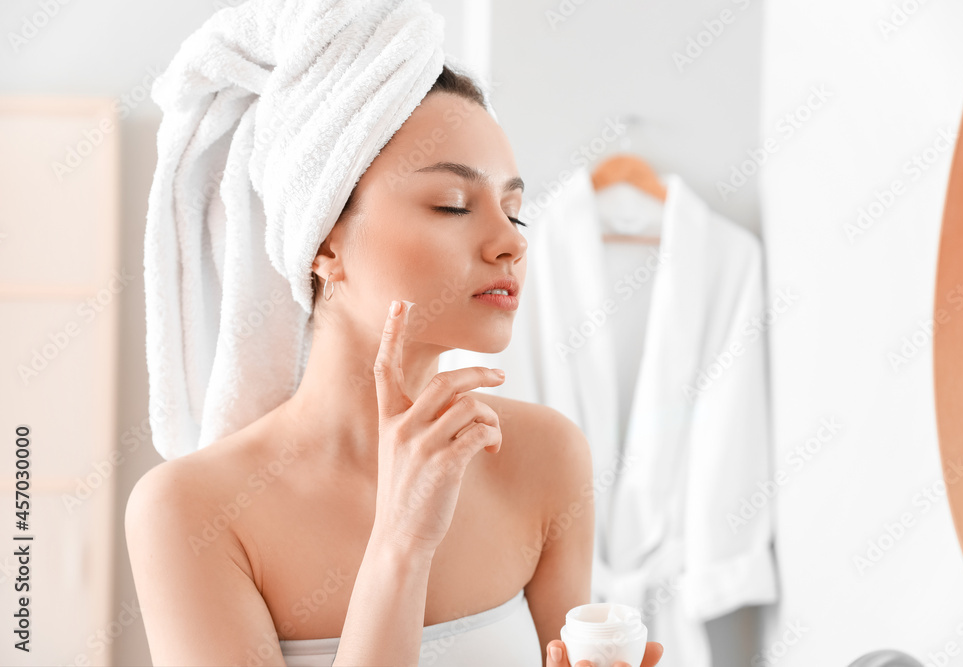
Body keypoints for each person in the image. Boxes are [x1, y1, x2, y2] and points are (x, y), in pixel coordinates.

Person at [126, 63, 664, 667]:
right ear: (325, 241)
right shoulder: (190, 512)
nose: (511, 241)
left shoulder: (544, 456)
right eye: (453, 205)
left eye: (514, 212)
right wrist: (402, 543)